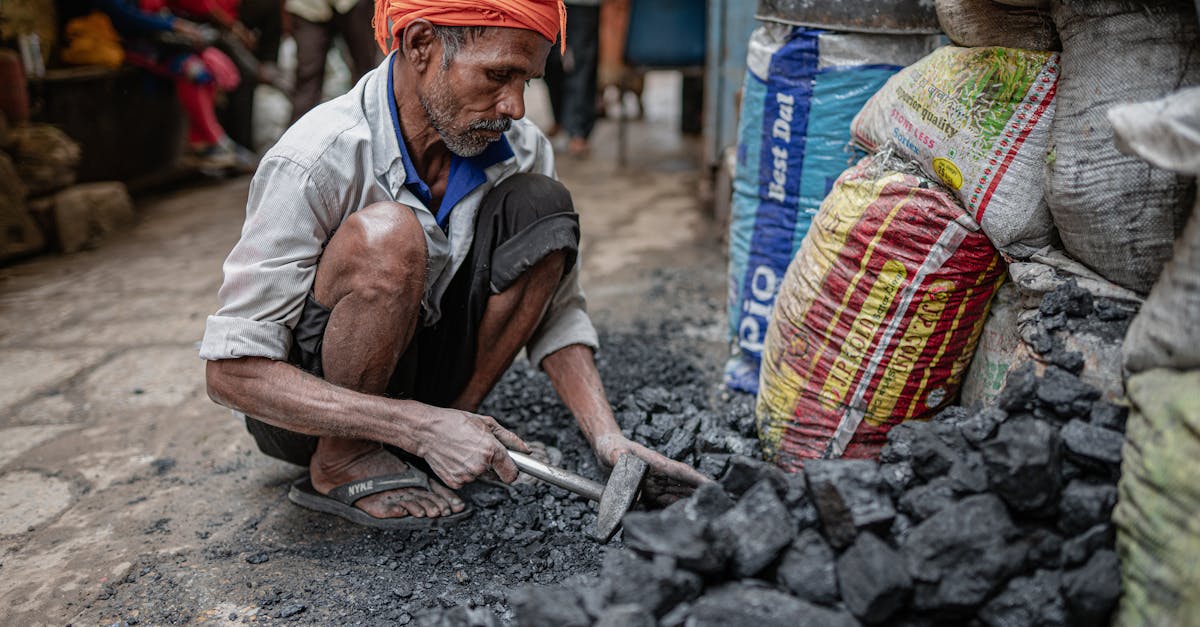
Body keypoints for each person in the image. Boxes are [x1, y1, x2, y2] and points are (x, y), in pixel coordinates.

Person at [201, 0, 708, 528]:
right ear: (421, 46)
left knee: (543, 206)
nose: (514, 106)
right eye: (497, 75)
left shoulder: (521, 149)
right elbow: (232, 373)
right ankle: (344, 458)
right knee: (391, 236)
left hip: (430, 384)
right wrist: (415, 425)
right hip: (311, 411)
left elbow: (555, 312)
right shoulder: (315, 157)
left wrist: (608, 438)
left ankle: (450, 431)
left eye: (527, 81)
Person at [76, 0, 256, 171]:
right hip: (126, 40)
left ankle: (207, 139)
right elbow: (123, 16)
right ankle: (209, 141)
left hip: (159, 35)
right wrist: (172, 25)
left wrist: (178, 25)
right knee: (194, 70)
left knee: (212, 62)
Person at [284, 0, 378, 122]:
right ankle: (298, 136)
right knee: (307, 80)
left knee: (368, 75)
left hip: (353, 5)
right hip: (308, 8)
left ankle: (375, 130)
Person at [543, 0, 601, 157]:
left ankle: (578, 131)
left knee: (582, 66)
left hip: (583, 4)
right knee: (549, 62)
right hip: (549, 4)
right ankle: (560, 118)